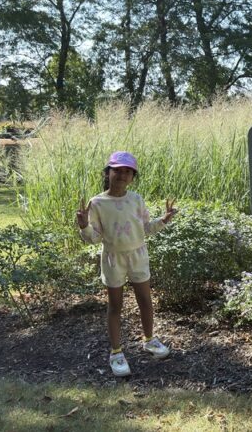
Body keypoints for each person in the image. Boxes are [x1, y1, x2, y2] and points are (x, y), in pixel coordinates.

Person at [75, 151, 177, 377]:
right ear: (108, 173)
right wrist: (84, 226)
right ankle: (116, 352)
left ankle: (149, 340)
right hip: (113, 259)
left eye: (127, 171)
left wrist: (164, 220)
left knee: (145, 301)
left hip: (138, 256)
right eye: (117, 170)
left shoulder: (136, 200)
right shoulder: (98, 203)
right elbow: (94, 237)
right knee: (115, 306)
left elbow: (146, 229)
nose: (122, 175)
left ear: (133, 176)